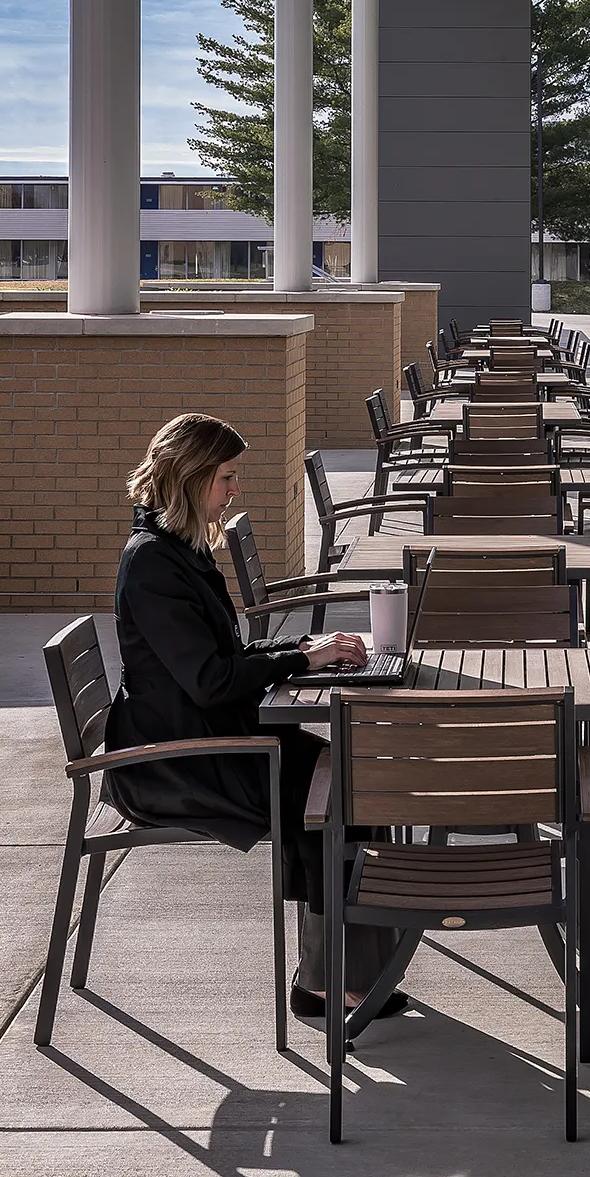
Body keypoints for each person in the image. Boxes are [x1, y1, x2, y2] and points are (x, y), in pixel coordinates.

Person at [103, 412, 399, 1023]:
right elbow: (212, 682)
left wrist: (310, 655)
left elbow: (225, 657)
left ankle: (345, 973)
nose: (235, 491)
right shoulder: (154, 565)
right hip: (178, 760)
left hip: (208, 735)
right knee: (340, 792)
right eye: (227, 479)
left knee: (348, 773)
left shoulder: (177, 551)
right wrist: (299, 656)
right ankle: (330, 983)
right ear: (190, 479)